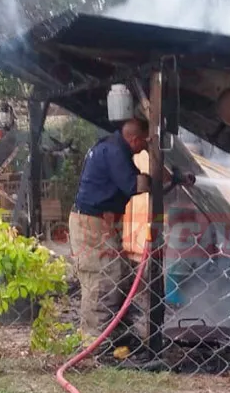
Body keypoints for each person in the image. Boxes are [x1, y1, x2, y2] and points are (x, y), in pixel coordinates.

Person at [67, 117, 194, 370]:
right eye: (144, 142)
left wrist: (170, 177)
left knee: (121, 276)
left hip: (102, 223)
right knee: (103, 279)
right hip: (91, 223)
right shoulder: (114, 151)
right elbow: (138, 185)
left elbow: (145, 182)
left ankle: (116, 337)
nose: (144, 147)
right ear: (135, 139)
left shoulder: (116, 148)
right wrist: (167, 174)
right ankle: (95, 347)